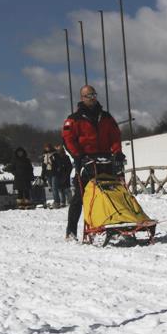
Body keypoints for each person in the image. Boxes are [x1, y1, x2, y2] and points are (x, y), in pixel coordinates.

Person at [62, 85, 123, 240]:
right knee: (80, 197)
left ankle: (116, 225)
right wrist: (79, 156)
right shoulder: (74, 119)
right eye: (89, 95)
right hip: (86, 160)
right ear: (82, 97)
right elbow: (68, 140)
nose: (92, 98)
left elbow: (115, 136)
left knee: (112, 193)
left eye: (94, 94)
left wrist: (117, 152)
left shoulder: (106, 117)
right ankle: (71, 231)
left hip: (105, 159)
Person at [40, 143, 62, 208]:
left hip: (54, 173)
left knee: (55, 188)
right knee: (52, 188)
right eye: (46, 147)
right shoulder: (44, 156)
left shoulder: (55, 154)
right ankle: (55, 200)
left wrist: (57, 169)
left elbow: (59, 164)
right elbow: (43, 166)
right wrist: (42, 175)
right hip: (48, 173)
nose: (47, 148)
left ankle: (57, 201)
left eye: (48, 147)